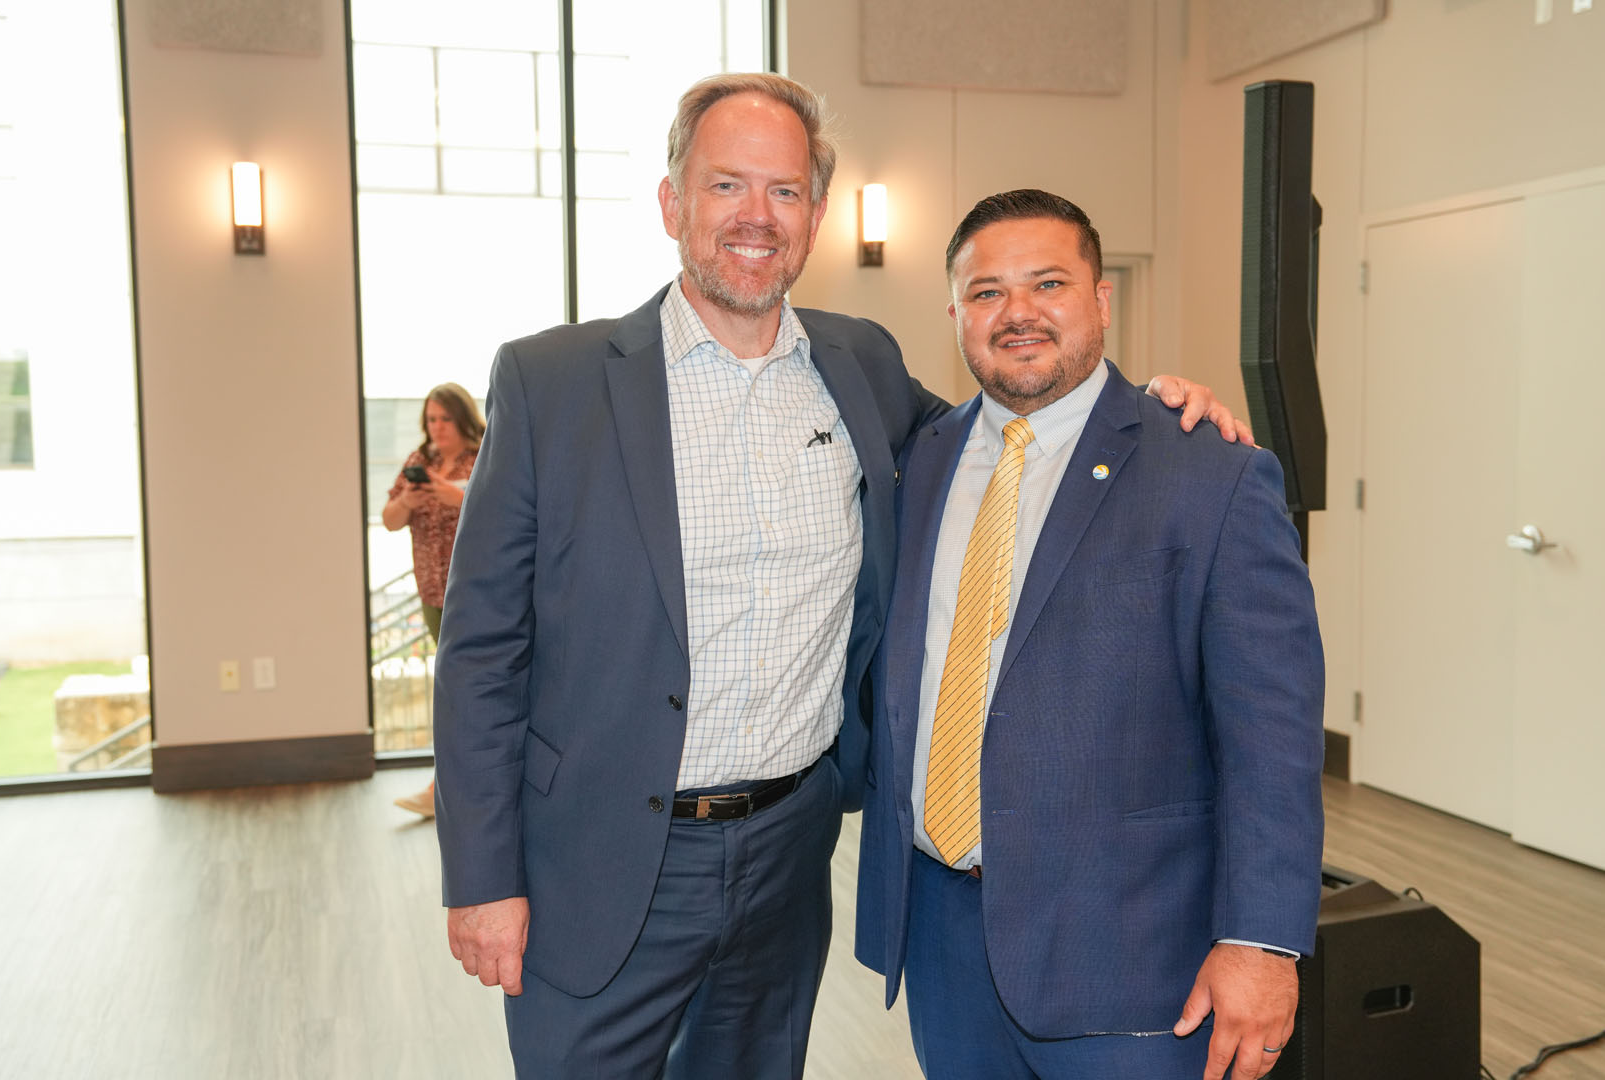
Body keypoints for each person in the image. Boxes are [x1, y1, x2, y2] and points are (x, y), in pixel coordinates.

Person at [433, 75, 1242, 1079]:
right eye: (727, 185)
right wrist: (481, 877)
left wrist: (1154, 409)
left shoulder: (857, 366)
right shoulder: (550, 383)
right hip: (598, 860)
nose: (754, 218)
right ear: (671, 201)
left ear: (816, 216)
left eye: (782, 192)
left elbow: (1009, 430)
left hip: (790, 852)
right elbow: (481, 654)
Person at [854, 189, 1324, 1080]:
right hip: (946, 940)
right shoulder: (918, 463)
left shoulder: (1211, 473)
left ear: (1101, 300)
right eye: (987, 291)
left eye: (1049, 283)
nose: (1018, 312)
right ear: (954, 313)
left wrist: (1262, 942)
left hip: (1136, 958)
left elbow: (1274, 737)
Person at [383, 382, 484, 818]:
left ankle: (441, 787)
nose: (437, 428)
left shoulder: (482, 456)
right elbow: (389, 520)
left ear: (462, 419)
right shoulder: (418, 461)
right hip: (432, 593)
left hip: (476, 592)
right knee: (452, 690)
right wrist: (409, 498)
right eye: (430, 419)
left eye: (444, 418)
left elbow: (506, 514)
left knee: (460, 690)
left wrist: (456, 496)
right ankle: (447, 785)